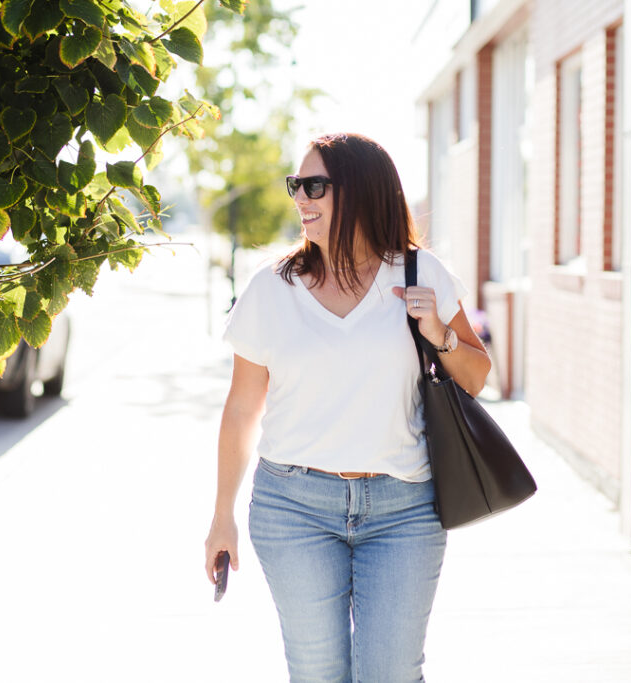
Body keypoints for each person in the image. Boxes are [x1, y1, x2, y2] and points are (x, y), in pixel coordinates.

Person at [204, 132, 491, 682]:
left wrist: (437, 332)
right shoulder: (271, 288)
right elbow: (242, 410)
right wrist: (222, 515)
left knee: (391, 672)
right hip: (293, 508)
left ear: (359, 190)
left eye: (315, 186)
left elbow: (476, 378)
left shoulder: (419, 273)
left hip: (404, 508)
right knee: (318, 672)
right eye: (296, 187)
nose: (301, 200)